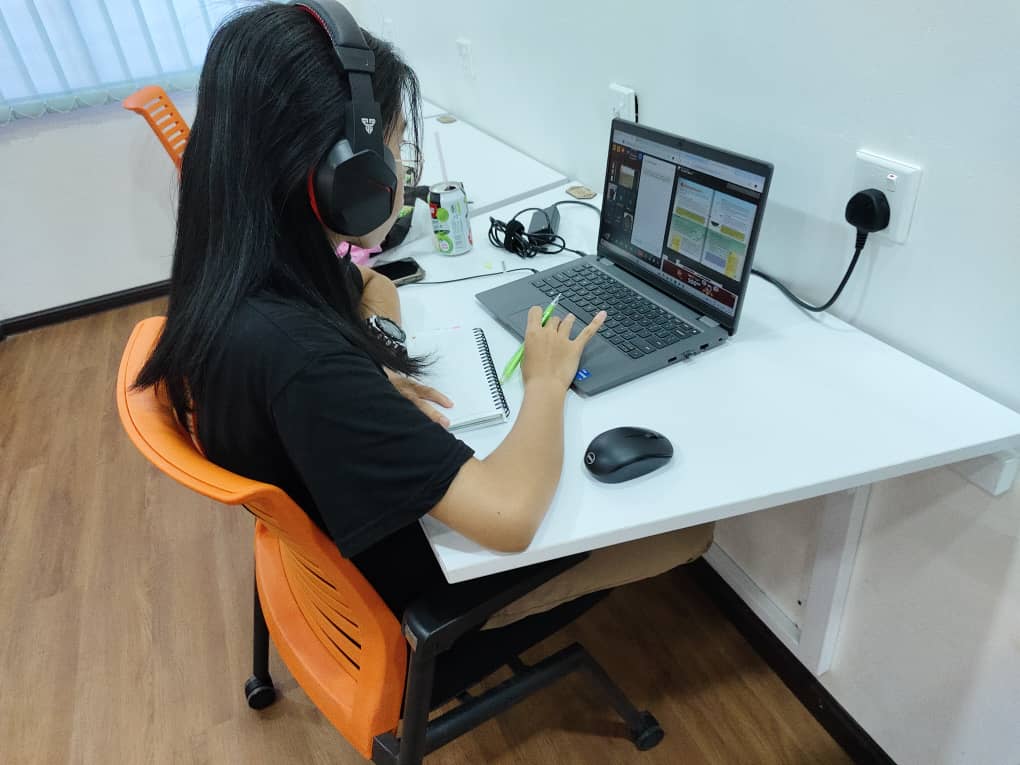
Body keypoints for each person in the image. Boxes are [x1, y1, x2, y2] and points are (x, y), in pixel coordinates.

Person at [135, 1, 710, 621]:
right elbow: (508, 517)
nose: (403, 173)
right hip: (411, 588)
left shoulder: (242, 266)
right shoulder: (302, 360)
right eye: (396, 149)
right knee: (687, 533)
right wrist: (546, 382)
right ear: (347, 178)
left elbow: (372, 286)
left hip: (340, 531)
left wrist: (375, 363)